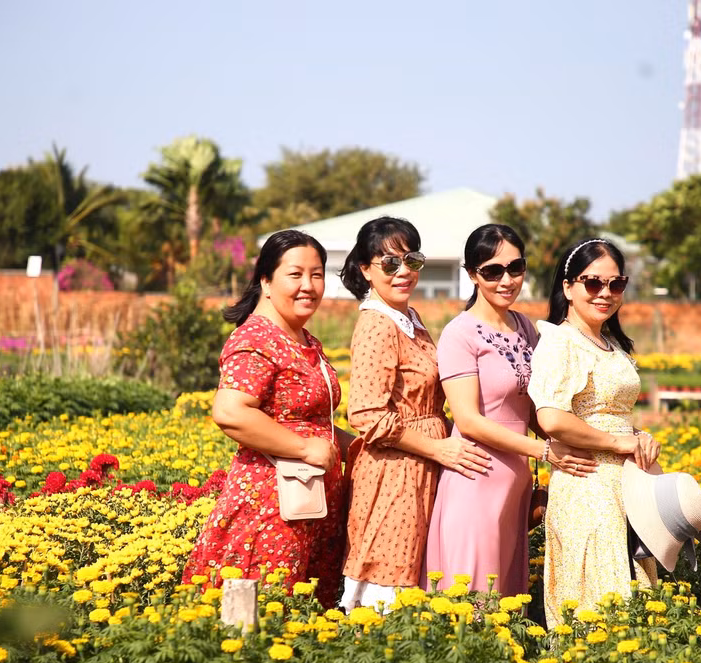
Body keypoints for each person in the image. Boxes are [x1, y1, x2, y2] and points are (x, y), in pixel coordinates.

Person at [421, 224, 596, 596]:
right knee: (471, 600)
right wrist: (546, 452)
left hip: (514, 482)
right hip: (476, 475)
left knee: (506, 602)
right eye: (492, 271)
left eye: (515, 268)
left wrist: (587, 441)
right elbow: (468, 420)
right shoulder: (460, 333)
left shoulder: (525, 328)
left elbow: (534, 407)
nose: (506, 280)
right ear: (471, 274)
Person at [181, 230, 352, 610]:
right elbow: (230, 412)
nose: (308, 286)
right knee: (256, 619)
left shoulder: (301, 337)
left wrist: (353, 447)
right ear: (266, 281)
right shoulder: (257, 338)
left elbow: (312, 421)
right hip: (270, 507)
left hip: (307, 504)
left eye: (317, 274)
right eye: (295, 275)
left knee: (297, 623)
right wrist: (305, 447)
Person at [339, 216, 491, 611]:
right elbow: (367, 415)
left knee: (419, 575)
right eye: (389, 263)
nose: (403, 271)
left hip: (422, 463)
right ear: (366, 269)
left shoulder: (409, 318)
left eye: (412, 260)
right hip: (395, 470)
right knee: (390, 579)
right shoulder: (376, 324)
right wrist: (438, 450)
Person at [527, 238, 660, 627]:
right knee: (599, 591)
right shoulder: (560, 341)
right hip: (587, 480)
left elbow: (610, 413)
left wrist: (639, 435)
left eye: (616, 284)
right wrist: (618, 442)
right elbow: (551, 418)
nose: (605, 293)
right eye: (593, 283)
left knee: (631, 584)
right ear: (568, 287)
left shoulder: (611, 344)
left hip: (624, 482)